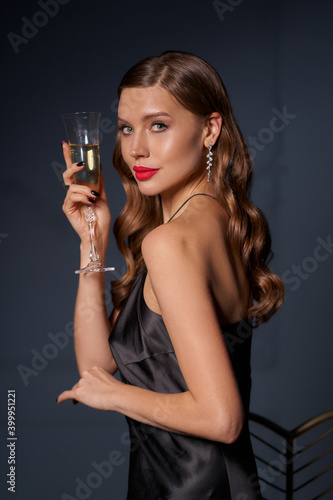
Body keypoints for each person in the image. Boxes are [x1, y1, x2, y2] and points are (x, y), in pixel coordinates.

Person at [57, 51, 284, 499]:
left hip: (193, 489)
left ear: (209, 130)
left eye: (158, 125)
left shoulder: (171, 241)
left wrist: (117, 397)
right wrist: (91, 242)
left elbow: (222, 418)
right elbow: (98, 366)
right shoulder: (213, 222)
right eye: (126, 128)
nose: (136, 147)